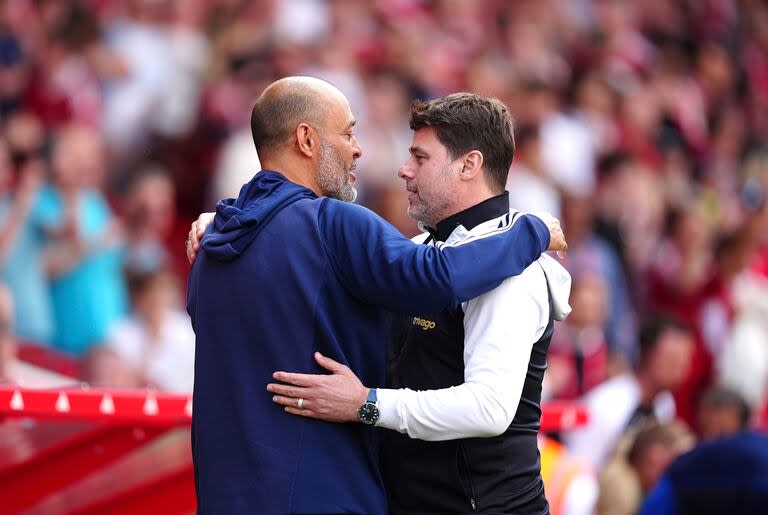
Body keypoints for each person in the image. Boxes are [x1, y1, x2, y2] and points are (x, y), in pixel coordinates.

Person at [185, 77, 567, 514]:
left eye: (419, 157)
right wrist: (533, 231)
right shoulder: (333, 225)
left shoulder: (217, 244)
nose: (361, 150)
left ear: (470, 165)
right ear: (306, 140)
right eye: (347, 133)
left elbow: (489, 407)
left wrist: (219, 219)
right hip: (323, 496)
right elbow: (438, 277)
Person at [564, 316, 694, 468]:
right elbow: (579, 465)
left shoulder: (665, 403)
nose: (681, 369)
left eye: (685, 360)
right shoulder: (606, 404)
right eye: (672, 359)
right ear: (647, 353)